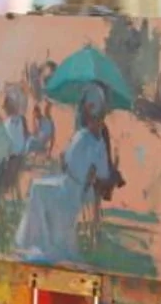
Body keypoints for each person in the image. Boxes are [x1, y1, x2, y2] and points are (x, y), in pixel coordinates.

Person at [14, 83, 112, 262]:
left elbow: (66, 163)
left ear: (89, 109)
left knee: (37, 188)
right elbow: (103, 174)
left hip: (69, 189)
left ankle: (36, 240)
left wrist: (65, 160)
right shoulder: (99, 143)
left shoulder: (82, 137)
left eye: (84, 106)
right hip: (81, 191)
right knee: (41, 186)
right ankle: (38, 239)